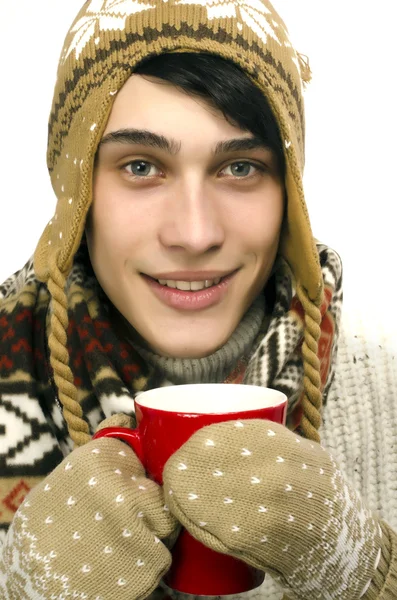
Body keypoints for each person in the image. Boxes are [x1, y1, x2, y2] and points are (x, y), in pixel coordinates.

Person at [0, 0, 396, 598]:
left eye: (240, 167)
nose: (194, 233)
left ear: (288, 193)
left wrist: (366, 572)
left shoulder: (386, 386)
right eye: (140, 166)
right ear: (76, 192)